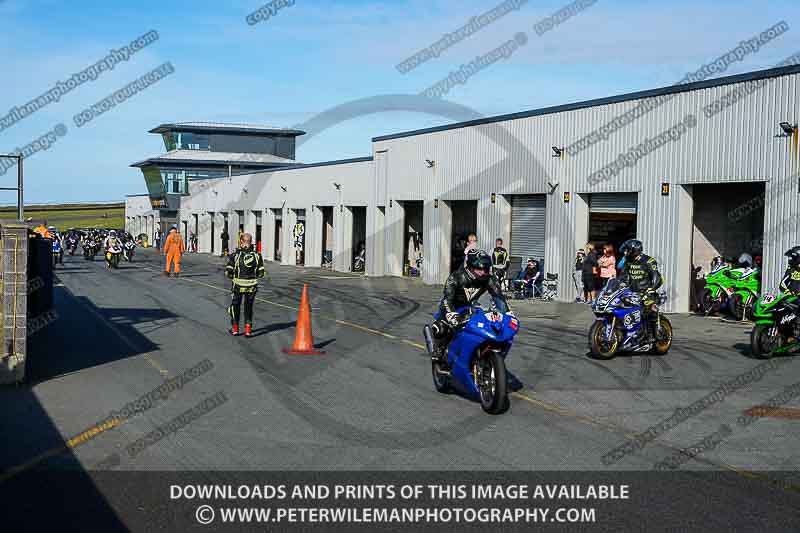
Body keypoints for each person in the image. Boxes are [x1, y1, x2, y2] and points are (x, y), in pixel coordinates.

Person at [423, 250, 510, 367]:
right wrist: (452, 315)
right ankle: (439, 349)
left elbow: (499, 297)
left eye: (486, 268)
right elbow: (447, 299)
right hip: (451, 306)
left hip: (470, 307)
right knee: (442, 328)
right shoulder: (455, 277)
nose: (484, 272)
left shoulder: (490, 279)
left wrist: (506, 313)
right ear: (470, 267)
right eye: (480, 269)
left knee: (488, 325)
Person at [618, 239, 664, 343]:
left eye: (627, 250)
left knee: (649, 308)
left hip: (646, 291)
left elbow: (657, 277)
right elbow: (623, 276)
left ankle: (653, 334)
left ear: (635, 250)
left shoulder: (648, 261)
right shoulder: (628, 261)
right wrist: (620, 284)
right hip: (632, 292)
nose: (625, 252)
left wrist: (651, 288)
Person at [225, 233, 266, 337]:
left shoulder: (235, 255)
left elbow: (228, 272)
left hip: (238, 286)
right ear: (251, 242)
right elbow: (261, 273)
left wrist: (232, 275)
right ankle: (248, 330)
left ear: (241, 241)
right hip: (251, 287)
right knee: (249, 307)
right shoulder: (257, 255)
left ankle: (235, 329)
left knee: (235, 306)